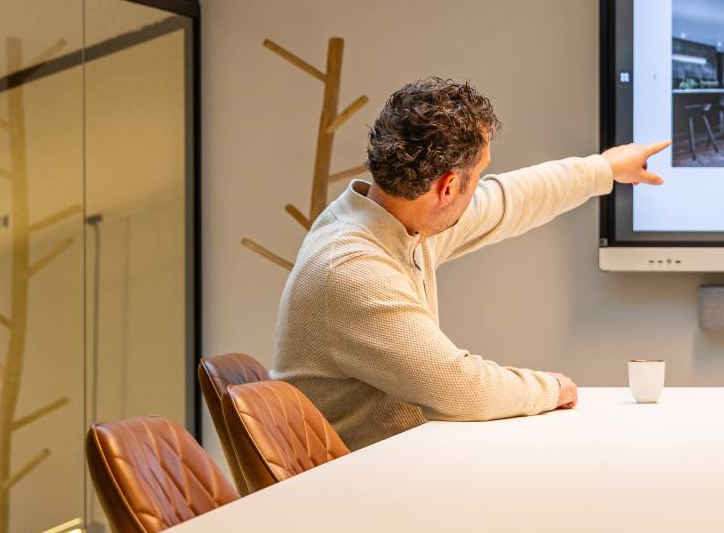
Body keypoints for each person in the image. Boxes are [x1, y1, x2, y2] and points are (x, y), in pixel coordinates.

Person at [273, 76, 668, 449]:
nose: (481, 186)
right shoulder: (353, 268)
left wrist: (604, 169)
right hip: (356, 493)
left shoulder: (397, 221)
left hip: (394, 468)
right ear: (446, 187)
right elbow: (460, 387)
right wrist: (551, 388)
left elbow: (508, 200)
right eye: (478, 175)